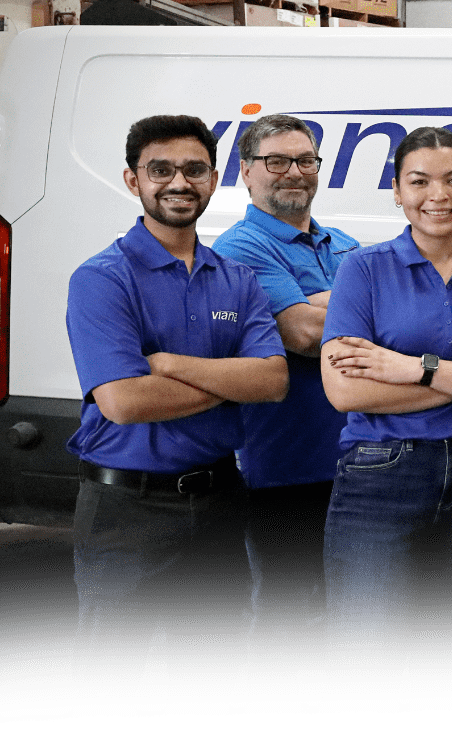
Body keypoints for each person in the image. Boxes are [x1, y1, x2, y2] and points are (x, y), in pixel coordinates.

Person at [65, 115, 288, 684]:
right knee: (108, 686)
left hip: (218, 502)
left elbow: (271, 382)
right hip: (125, 511)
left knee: (210, 680)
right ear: (131, 179)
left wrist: (169, 366)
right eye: (159, 169)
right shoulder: (101, 279)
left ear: (214, 179)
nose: (178, 183)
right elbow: (122, 402)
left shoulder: (236, 278)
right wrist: (224, 381)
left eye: (193, 170)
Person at [320, 127, 452, 670]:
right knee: (366, 649)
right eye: (419, 181)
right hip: (378, 477)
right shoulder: (362, 271)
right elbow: (345, 390)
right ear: (397, 191)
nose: (438, 195)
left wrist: (411, 369)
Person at [212, 114, 359, 672]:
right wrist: (356, 309)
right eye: (276, 162)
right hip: (287, 465)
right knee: (289, 617)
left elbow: (394, 312)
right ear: (247, 173)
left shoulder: (341, 242)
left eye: (304, 161)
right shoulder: (240, 248)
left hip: (357, 455)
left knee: (349, 611)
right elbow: (303, 334)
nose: (293, 173)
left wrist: (320, 303)